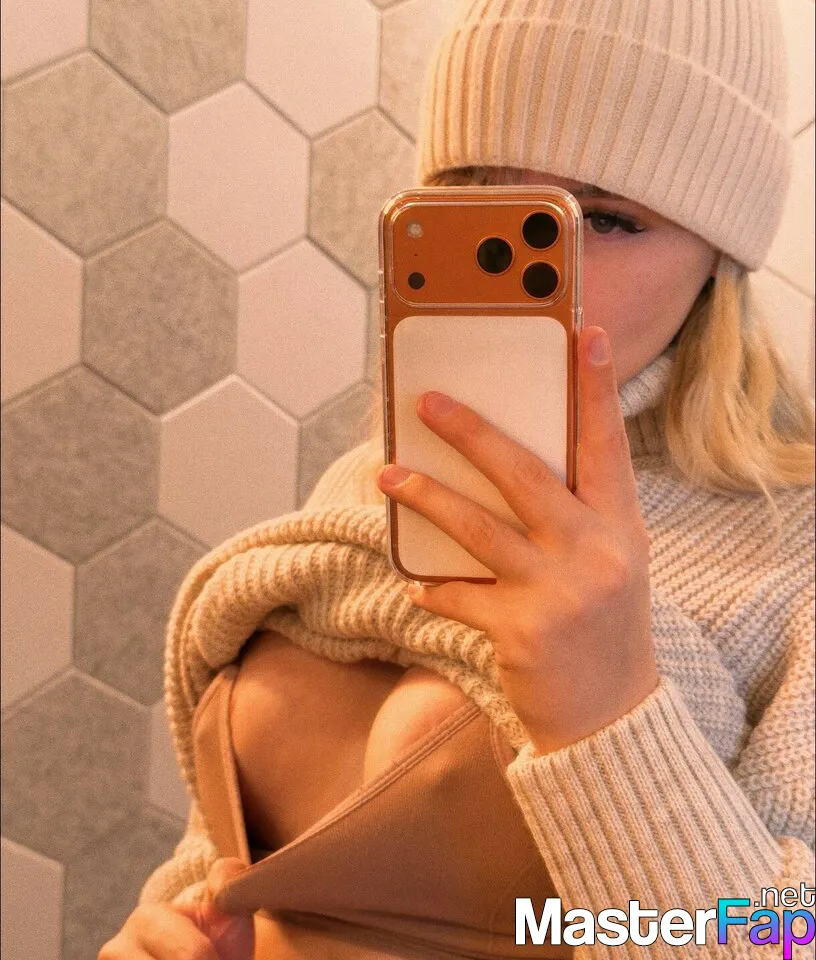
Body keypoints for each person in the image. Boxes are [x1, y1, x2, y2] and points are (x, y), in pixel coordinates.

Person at [99, 0, 815, 957]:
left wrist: (609, 709)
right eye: (477, 197)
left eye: (607, 218)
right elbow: (221, 869)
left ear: (720, 257)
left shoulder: (795, 556)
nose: (531, 267)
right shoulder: (370, 490)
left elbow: (785, 937)